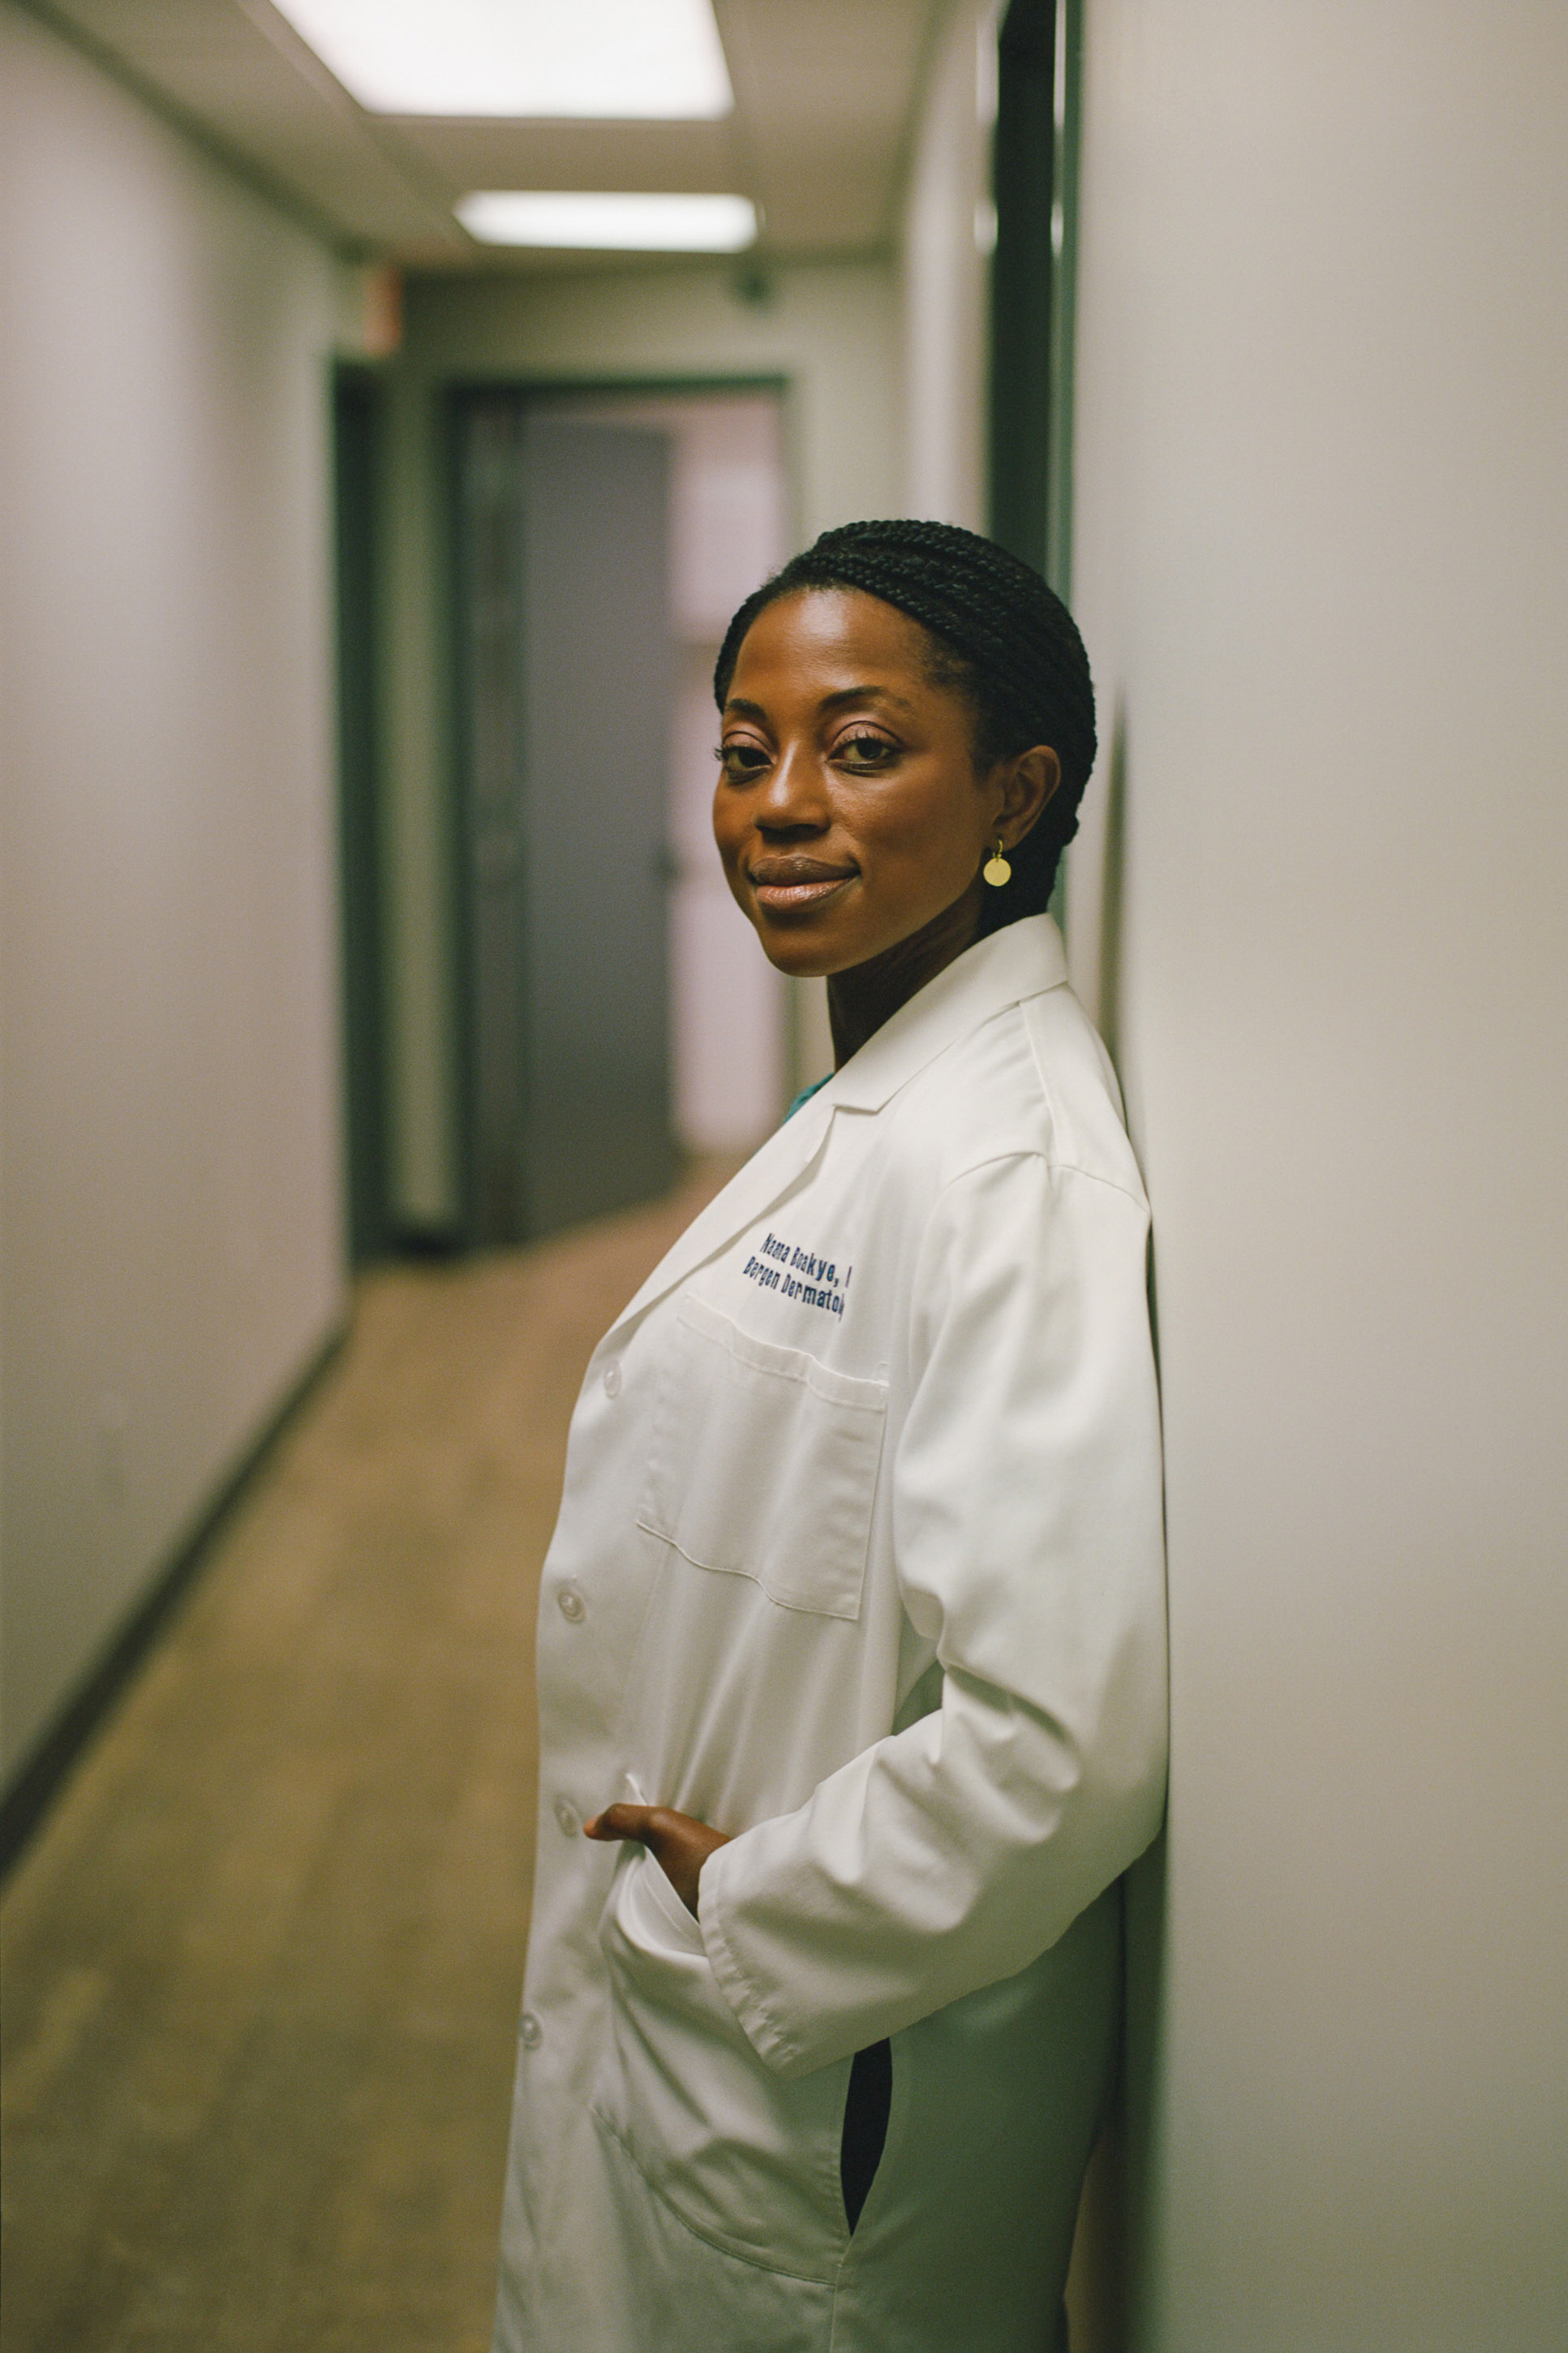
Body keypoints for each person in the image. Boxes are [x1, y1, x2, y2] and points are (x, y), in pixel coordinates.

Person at [492, 518, 1167, 2353]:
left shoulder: (1006, 1164)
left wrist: (759, 1902)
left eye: (861, 748)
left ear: (1014, 787)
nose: (779, 804)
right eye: (741, 750)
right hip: (750, 2066)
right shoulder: (880, 1085)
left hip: (829, 2091)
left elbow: (1060, 1740)